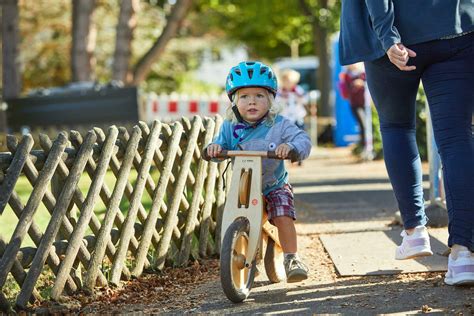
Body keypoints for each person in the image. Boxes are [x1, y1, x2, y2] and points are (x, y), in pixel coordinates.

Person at [340, 1, 474, 285]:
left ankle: (414, 232)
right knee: (456, 137)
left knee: (396, 127)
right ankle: (464, 254)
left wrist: (388, 37)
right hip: (455, 29)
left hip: (391, 39)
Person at [206, 61, 312, 282]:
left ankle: (292, 258)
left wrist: (291, 148)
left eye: (259, 96)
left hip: (274, 185)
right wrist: (214, 149)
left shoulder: (279, 125)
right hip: (244, 185)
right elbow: (218, 146)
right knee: (235, 214)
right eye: (244, 96)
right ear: (234, 101)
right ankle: (241, 252)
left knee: (282, 214)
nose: (251, 101)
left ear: (271, 100)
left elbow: (302, 140)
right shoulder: (229, 126)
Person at [338, 63, 367, 147]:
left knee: (369, 125)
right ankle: (363, 146)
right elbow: (346, 93)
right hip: (355, 104)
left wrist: (362, 83)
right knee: (363, 124)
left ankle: (369, 145)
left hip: (366, 103)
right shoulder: (346, 76)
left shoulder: (363, 74)